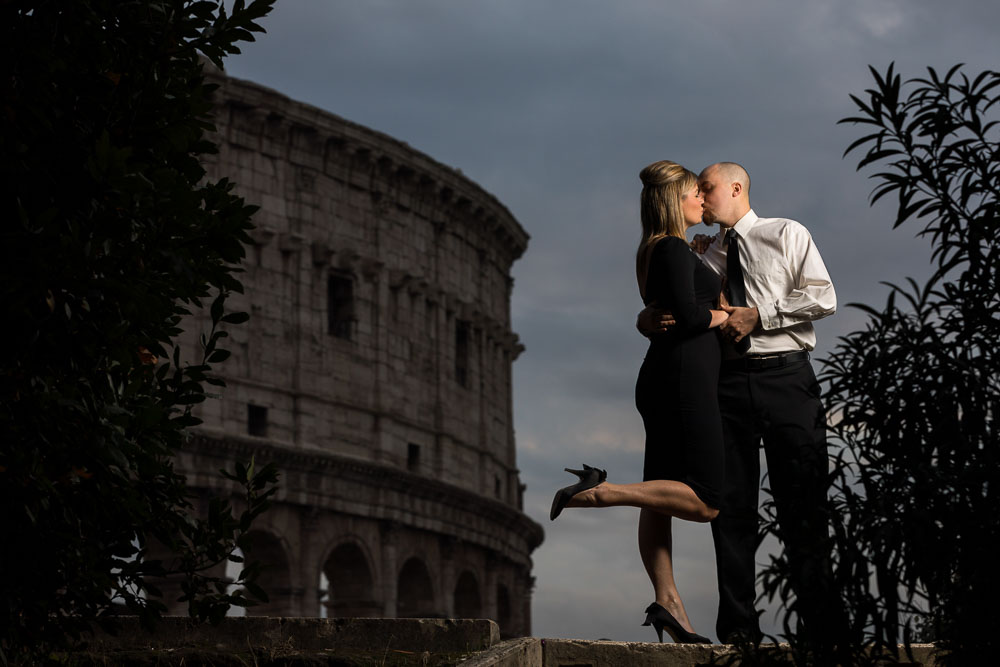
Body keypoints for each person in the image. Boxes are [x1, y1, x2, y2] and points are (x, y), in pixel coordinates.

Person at [640, 162, 839, 646]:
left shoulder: (786, 232)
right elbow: (680, 306)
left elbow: (824, 296)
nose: (701, 199)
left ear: (735, 187)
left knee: (804, 503)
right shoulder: (699, 252)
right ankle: (737, 633)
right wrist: (646, 318)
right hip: (725, 384)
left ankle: (825, 633)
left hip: (788, 379)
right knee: (731, 511)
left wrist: (761, 315)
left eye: (706, 189)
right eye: (695, 192)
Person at [550, 160, 728, 644]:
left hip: (669, 377)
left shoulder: (661, 248)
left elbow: (667, 310)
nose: (701, 199)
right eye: (695, 191)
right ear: (676, 200)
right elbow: (689, 318)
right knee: (710, 501)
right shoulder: (669, 247)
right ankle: (605, 491)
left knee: (660, 501)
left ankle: (668, 602)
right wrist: (724, 315)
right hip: (682, 380)